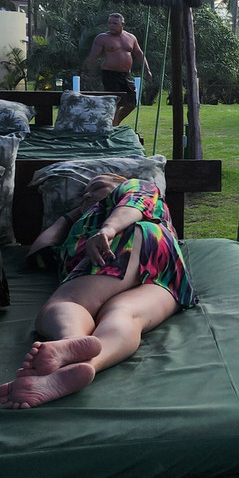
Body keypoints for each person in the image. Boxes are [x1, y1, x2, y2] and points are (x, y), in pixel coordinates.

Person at [0, 175, 196, 409]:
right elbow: (38, 253)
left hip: (133, 239)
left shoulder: (130, 189)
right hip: (168, 275)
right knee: (124, 315)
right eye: (84, 192)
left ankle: (72, 341)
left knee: (65, 304)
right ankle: (86, 365)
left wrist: (108, 229)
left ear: (116, 184)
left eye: (96, 187)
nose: (87, 193)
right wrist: (72, 215)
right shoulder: (78, 229)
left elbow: (135, 201)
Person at [82, 13, 152, 125]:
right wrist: (89, 74)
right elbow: (93, 57)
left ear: (122, 24)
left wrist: (147, 69)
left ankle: (114, 124)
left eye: (115, 23)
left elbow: (139, 53)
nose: (111, 26)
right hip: (110, 74)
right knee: (115, 103)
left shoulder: (131, 38)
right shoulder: (102, 38)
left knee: (131, 103)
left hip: (126, 75)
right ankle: (113, 129)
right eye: (109, 23)